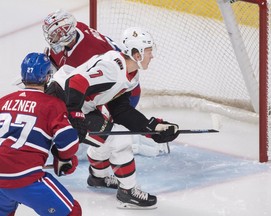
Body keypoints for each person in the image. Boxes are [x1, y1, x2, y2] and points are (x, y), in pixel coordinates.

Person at [49, 26, 179, 209]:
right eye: (149, 51)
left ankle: (98, 177)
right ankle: (128, 192)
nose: (152, 56)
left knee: (109, 134)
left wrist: (152, 128)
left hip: (79, 104)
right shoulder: (112, 67)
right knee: (118, 139)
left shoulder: (130, 74)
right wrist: (74, 115)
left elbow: (120, 110)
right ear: (137, 53)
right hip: (61, 102)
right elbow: (76, 82)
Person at [0, 53, 81, 216]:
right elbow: (68, 143)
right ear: (47, 77)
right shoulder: (53, 105)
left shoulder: (3, 101)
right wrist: (65, 159)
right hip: (25, 177)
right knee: (72, 212)